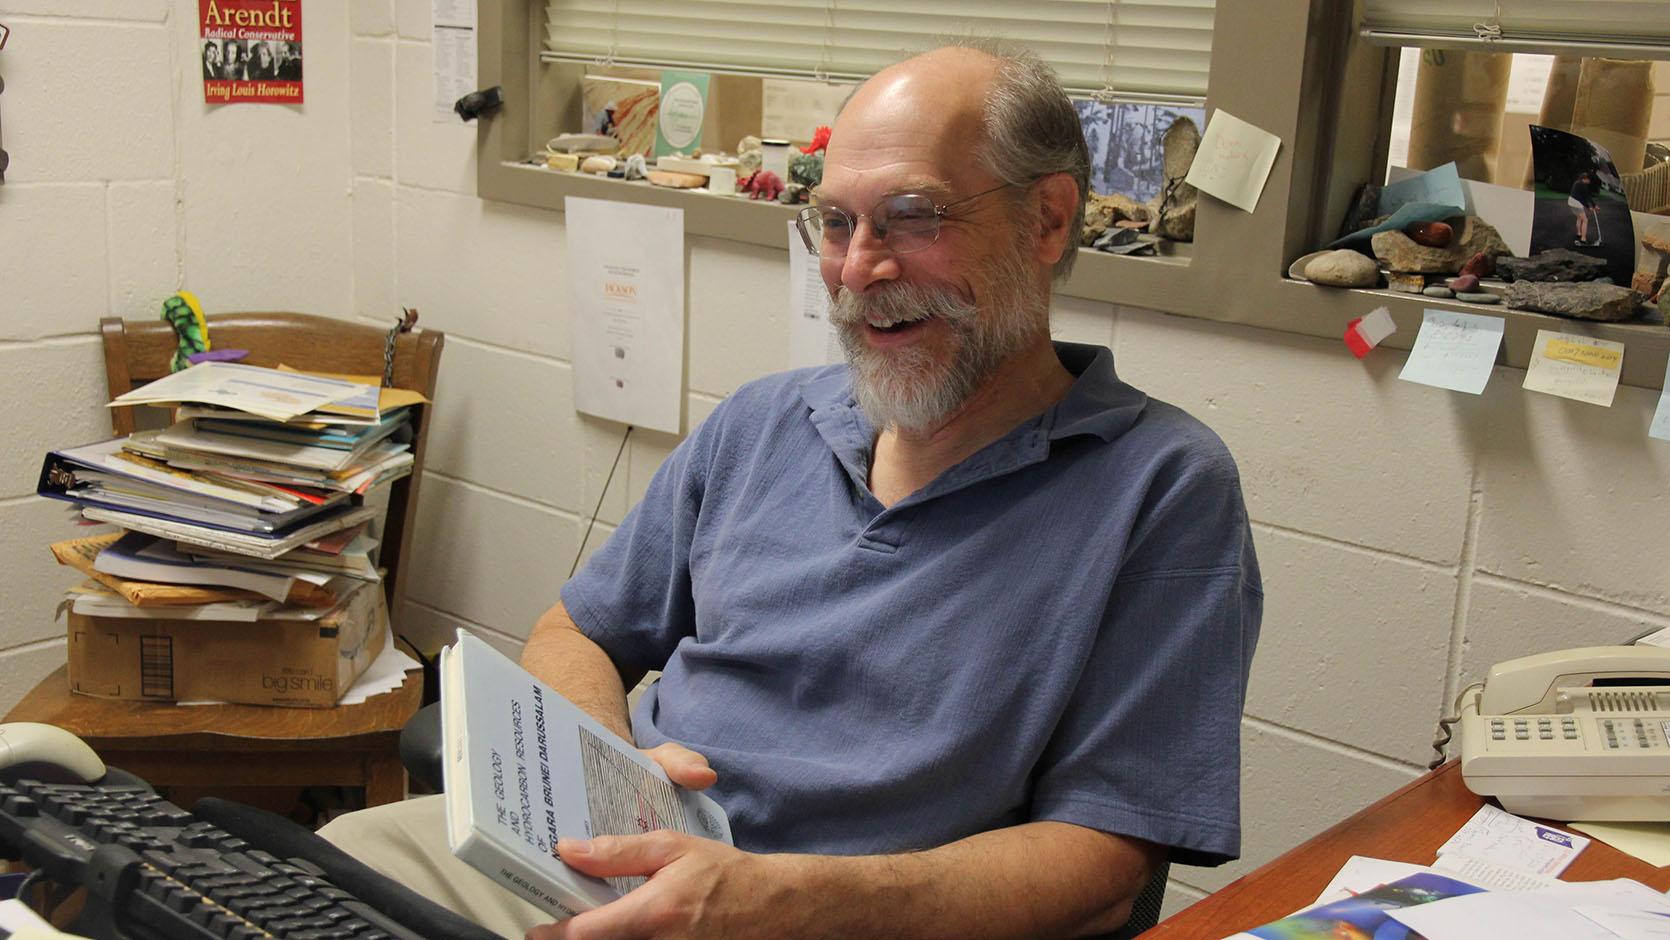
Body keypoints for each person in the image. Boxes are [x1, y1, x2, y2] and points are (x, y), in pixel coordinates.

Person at [321, 40, 1261, 940]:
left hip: (845, 926)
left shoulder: (1161, 489)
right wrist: (612, 762)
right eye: (838, 223)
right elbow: (577, 631)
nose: (858, 272)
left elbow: (1102, 871)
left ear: (1048, 220)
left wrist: (782, 901)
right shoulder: (768, 422)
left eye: (914, 217)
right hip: (609, 867)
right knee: (302, 881)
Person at [1569, 170, 1601, 247]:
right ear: (1585, 179)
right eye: (1589, 180)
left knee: (1579, 218)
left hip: (1572, 201)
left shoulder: (1579, 183)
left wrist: (1594, 205)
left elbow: (1586, 196)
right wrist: (1589, 206)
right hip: (1576, 202)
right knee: (1585, 220)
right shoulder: (1581, 184)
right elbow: (1584, 197)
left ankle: (1579, 233)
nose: (1590, 181)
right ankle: (1583, 239)